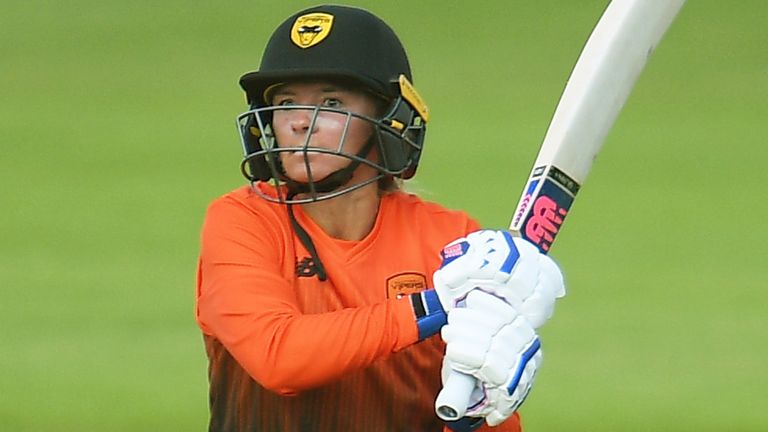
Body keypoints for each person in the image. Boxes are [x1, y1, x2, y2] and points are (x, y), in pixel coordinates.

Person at [195, 5, 565, 432]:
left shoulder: (453, 242)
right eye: (285, 102)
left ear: (390, 121)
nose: (299, 121)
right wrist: (436, 305)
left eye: (330, 102)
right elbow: (279, 359)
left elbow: (486, 420)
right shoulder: (243, 220)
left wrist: (478, 411)